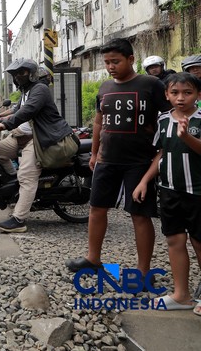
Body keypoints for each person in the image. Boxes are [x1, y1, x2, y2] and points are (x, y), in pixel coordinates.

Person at [66, 38, 171, 291]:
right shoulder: (104, 87)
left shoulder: (151, 85)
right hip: (107, 159)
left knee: (139, 214)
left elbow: (170, 116)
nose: (110, 66)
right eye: (107, 62)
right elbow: (99, 122)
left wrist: (163, 147)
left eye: (115, 61)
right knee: (96, 208)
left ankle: (143, 271)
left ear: (131, 59)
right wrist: (94, 153)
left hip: (139, 161)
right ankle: (93, 258)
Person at [132, 72, 201, 310]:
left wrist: (187, 137)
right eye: (175, 93)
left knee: (199, 241)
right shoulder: (163, 120)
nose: (181, 98)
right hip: (170, 190)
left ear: (198, 94)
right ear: (166, 95)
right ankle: (181, 295)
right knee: (175, 239)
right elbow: (161, 153)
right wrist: (144, 181)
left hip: (197, 192)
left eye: (187, 92)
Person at [0, 60, 75, 233]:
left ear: (31, 74)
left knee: (27, 176)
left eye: (21, 73)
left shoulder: (40, 89)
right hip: (20, 136)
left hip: (37, 138)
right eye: (15, 74)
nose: (17, 77)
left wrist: (5, 125)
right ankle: (16, 186)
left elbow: (28, 110)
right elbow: (18, 109)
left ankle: (19, 220)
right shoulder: (26, 91)